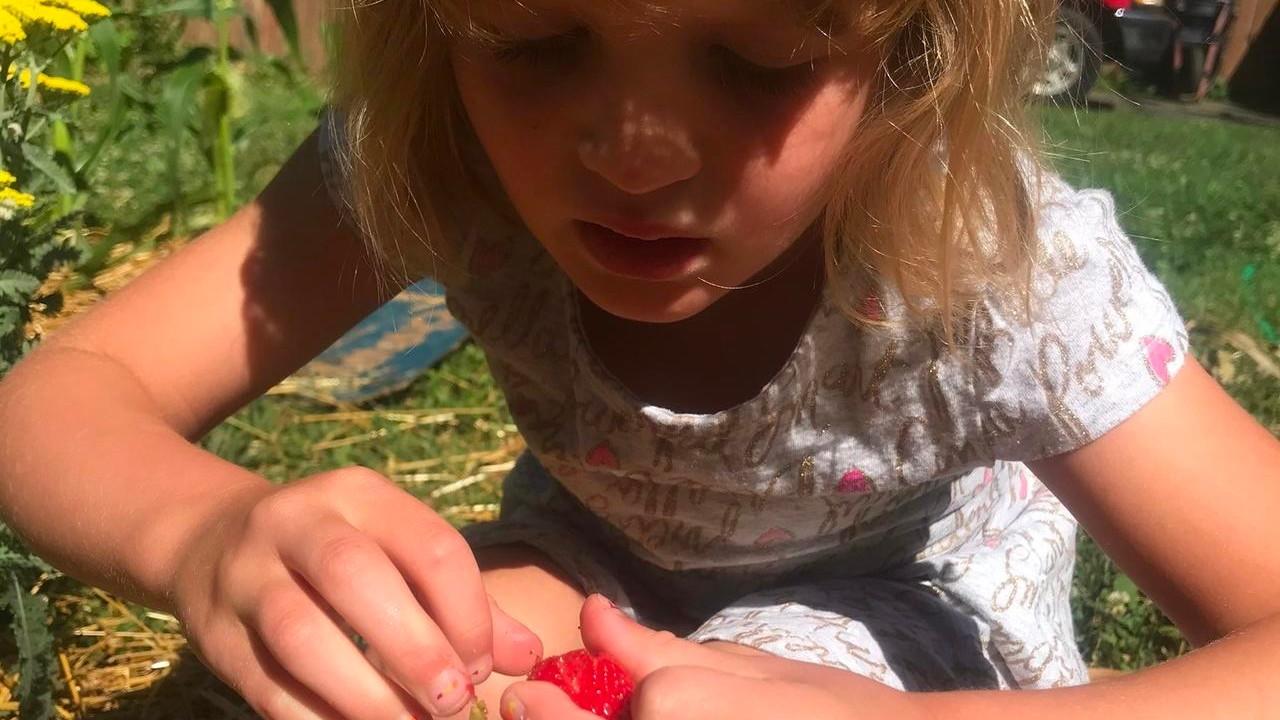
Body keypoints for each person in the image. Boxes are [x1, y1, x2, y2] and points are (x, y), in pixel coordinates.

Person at [1, 0, 1278, 718]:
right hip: (590, 556)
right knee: (396, 680)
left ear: (907, 55)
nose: (635, 150)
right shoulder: (435, 161)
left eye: (760, 58)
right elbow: (54, 404)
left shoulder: (992, 263)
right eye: (529, 38)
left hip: (895, 605)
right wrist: (203, 535)